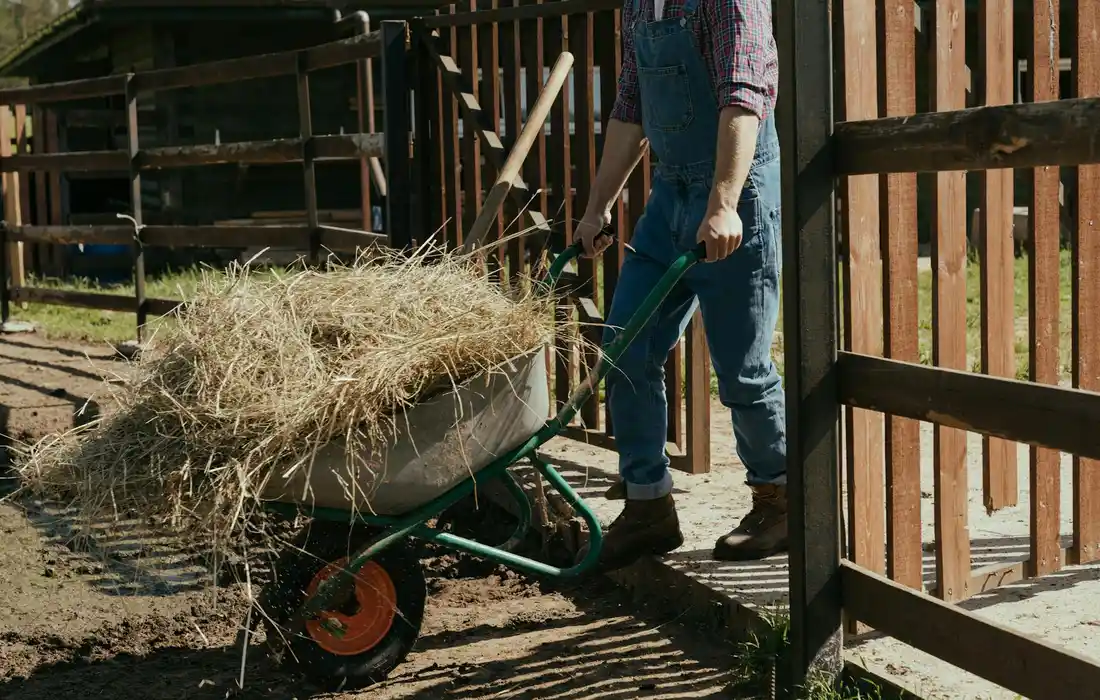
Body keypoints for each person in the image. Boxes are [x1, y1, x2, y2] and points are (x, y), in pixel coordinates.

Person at [574, 0, 782, 570]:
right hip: (669, 192)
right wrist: (597, 208)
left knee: (741, 368)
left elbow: (744, 93)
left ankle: (778, 497)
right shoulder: (639, 4)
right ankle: (648, 506)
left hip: (737, 188)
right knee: (623, 349)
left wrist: (724, 203)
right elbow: (630, 106)